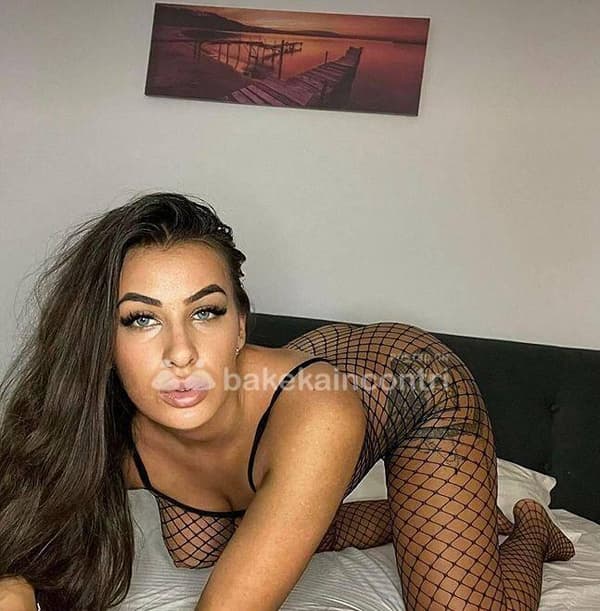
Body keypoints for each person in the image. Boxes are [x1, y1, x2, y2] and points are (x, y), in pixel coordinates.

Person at [0, 192, 574, 610]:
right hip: (283, 389)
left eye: (206, 312)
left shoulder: (318, 418)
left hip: (414, 386)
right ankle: (411, 516)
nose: (181, 352)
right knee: (202, 552)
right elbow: (19, 537)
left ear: (240, 327)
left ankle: (529, 529)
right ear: (101, 341)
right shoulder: (83, 420)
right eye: (141, 319)